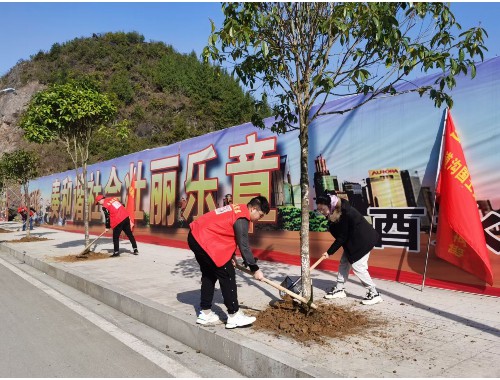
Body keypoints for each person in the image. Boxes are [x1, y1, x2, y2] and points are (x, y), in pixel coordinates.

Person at [188, 195, 270, 329]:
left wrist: (231, 255)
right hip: (205, 239)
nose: (259, 219)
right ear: (254, 209)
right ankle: (234, 315)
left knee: (209, 274)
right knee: (227, 274)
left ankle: (205, 313)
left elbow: (224, 231)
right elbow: (243, 245)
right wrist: (255, 269)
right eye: (260, 215)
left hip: (196, 236)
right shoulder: (242, 217)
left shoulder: (237, 209)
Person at [315, 192, 383, 305]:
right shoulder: (335, 211)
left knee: (358, 266)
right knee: (344, 262)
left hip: (362, 241)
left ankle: (374, 293)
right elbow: (342, 235)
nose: (321, 212)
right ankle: (339, 289)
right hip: (352, 241)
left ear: (330, 205)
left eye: (322, 209)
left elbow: (342, 237)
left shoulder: (344, 213)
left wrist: (329, 252)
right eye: (319, 210)